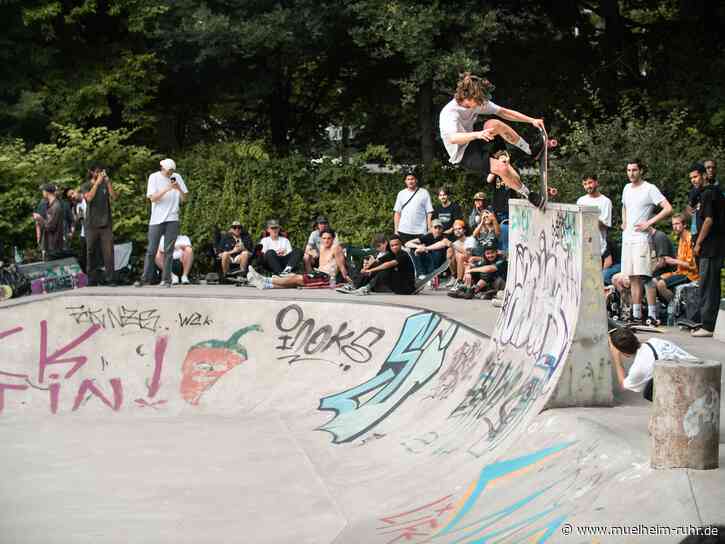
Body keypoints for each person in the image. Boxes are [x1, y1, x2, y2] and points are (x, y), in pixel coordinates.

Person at [439, 72, 555, 208]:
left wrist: (531, 120)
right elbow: (453, 138)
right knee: (502, 168)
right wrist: (477, 134)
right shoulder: (450, 113)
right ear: (466, 97)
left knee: (495, 124)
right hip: (463, 153)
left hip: (476, 136)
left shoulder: (477, 101)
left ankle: (530, 150)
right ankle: (528, 194)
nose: (480, 104)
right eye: (477, 101)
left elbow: (503, 112)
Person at [620, 158, 672, 324]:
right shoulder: (627, 188)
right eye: (628, 170)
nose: (631, 174)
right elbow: (624, 206)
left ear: (641, 170)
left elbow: (668, 208)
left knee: (646, 276)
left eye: (634, 170)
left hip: (642, 239)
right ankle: (636, 314)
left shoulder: (649, 188)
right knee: (633, 277)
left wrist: (649, 222)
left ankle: (652, 315)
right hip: (628, 238)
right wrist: (624, 221)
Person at [135, 158, 189, 287]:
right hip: (156, 219)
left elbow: (184, 199)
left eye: (172, 171)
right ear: (162, 168)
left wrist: (178, 189)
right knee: (151, 250)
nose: (171, 173)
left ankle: (166, 279)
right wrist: (167, 188)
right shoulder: (154, 177)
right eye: (169, 170)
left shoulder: (177, 177)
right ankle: (145, 278)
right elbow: (153, 198)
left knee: (169, 250)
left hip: (172, 218)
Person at [248, 229, 351, 289]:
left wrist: (349, 280)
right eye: (324, 238)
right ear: (321, 239)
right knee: (293, 280)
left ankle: (264, 279)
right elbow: (309, 252)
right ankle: (265, 284)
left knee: (296, 279)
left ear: (333, 239)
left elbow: (342, 268)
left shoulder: (336, 248)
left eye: (329, 238)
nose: (326, 240)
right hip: (318, 274)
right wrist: (310, 254)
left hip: (327, 279)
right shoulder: (322, 247)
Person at [608, 327, 694, 398]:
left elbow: (624, 385)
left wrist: (616, 357)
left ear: (624, 353)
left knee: (648, 392)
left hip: (688, 389)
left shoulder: (638, 368)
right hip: (697, 370)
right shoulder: (655, 341)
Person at [691, 162, 725, 337]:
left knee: (709, 285)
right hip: (709, 247)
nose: (694, 180)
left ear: (704, 175)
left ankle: (708, 325)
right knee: (706, 284)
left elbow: (709, 220)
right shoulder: (703, 194)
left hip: (711, 246)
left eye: (696, 176)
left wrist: (698, 243)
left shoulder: (709, 194)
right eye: (691, 178)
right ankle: (704, 321)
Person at [81, 165, 117, 286]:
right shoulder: (86, 185)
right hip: (91, 224)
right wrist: (97, 183)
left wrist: (108, 183)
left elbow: (114, 197)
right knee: (90, 251)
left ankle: (110, 278)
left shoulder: (105, 184)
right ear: (91, 172)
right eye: (97, 172)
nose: (100, 173)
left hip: (106, 223)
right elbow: (89, 198)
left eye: (101, 171)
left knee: (108, 252)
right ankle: (92, 279)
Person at [348, 236, 416, 295]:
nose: (394, 247)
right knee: (376, 266)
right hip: (397, 285)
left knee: (386, 268)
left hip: (406, 287)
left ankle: (366, 288)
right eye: (392, 246)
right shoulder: (391, 254)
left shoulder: (403, 254)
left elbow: (388, 264)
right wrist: (366, 268)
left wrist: (370, 270)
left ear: (401, 244)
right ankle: (356, 285)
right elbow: (378, 261)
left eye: (396, 245)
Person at [655, 214, 699, 303]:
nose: (675, 227)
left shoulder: (689, 239)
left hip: (690, 275)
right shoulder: (681, 239)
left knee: (661, 284)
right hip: (679, 272)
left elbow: (691, 265)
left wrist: (673, 261)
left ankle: (674, 306)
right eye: (673, 224)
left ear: (684, 225)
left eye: (677, 224)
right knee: (654, 281)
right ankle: (666, 306)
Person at [576, 175, 612, 258]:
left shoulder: (606, 201)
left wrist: (591, 217)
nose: (588, 186)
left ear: (596, 183)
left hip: (598, 247)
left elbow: (605, 225)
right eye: (585, 184)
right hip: (582, 246)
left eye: (590, 183)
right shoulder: (580, 200)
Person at [393, 172, 433, 243]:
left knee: (419, 252)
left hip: (420, 231)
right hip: (403, 230)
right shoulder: (401, 193)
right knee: (405, 252)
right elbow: (397, 213)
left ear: (416, 180)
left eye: (412, 179)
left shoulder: (424, 193)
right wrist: (396, 230)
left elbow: (429, 212)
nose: (410, 181)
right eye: (408, 179)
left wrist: (429, 228)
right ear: (405, 181)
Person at [32, 184, 64, 260]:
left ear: (47, 192)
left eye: (43, 191)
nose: (42, 193)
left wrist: (39, 218)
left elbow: (50, 227)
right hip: (49, 244)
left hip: (53, 245)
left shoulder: (56, 206)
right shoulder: (49, 205)